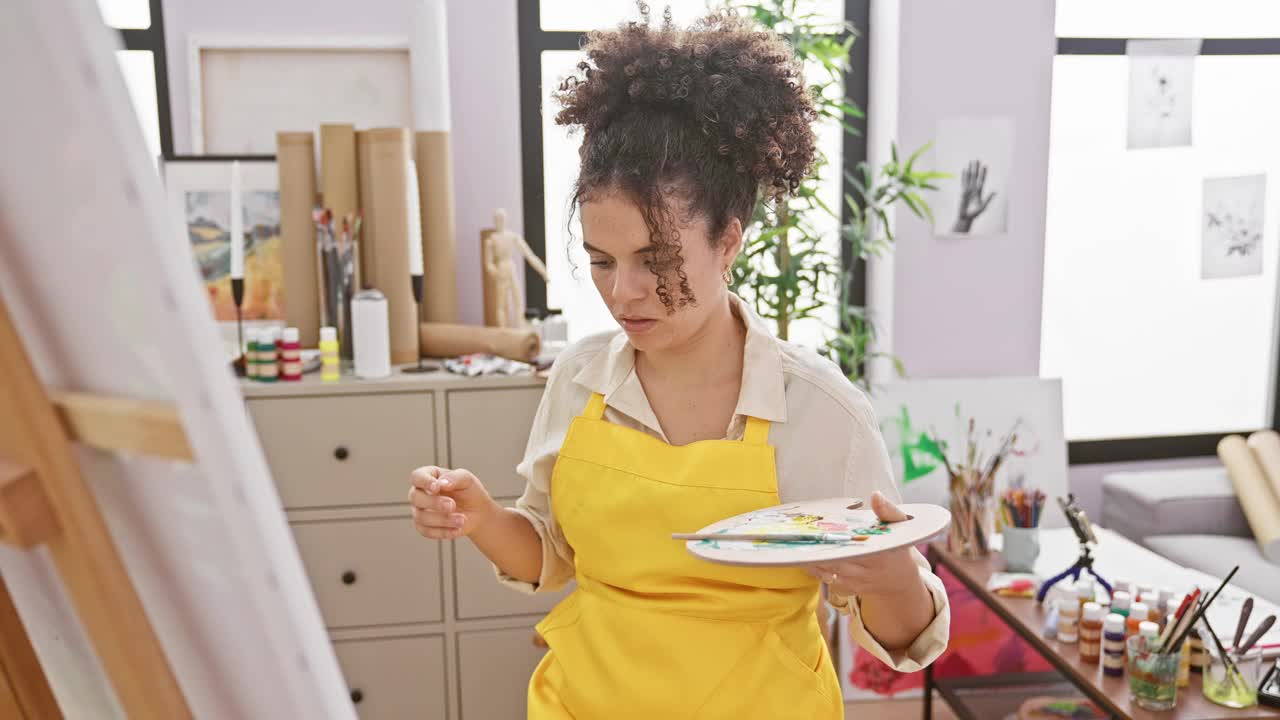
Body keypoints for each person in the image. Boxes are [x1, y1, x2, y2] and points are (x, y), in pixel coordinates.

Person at [408, 6, 949, 717]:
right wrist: (481, 518)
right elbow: (551, 556)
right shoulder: (580, 379)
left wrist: (889, 579)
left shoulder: (819, 411)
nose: (623, 292)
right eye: (601, 261)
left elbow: (905, 638)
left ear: (728, 242)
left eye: (655, 261)